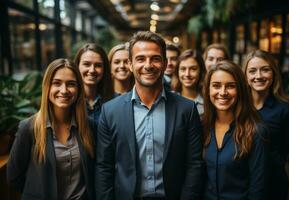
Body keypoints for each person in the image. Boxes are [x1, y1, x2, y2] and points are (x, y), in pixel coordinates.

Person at [95, 31, 205, 200]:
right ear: (131, 64)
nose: (148, 65)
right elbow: (104, 167)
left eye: (155, 58)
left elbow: (194, 165)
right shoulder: (110, 112)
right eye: (140, 59)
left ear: (165, 63)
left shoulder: (187, 110)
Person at [7, 58, 95, 199]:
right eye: (57, 83)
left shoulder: (89, 126)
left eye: (71, 84)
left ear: (79, 89)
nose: (64, 90)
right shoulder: (28, 128)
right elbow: (14, 177)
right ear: (47, 87)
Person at [202, 60, 269, 199]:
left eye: (231, 86)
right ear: (208, 89)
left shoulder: (256, 131)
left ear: (240, 90)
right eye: (216, 86)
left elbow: (258, 187)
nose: (223, 92)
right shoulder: (201, 125)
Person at [243, 49, 289, 200]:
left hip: (272, 184)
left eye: (265, 70)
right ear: (245, 76)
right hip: (239, 181)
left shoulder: (286, 110)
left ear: (273, 73)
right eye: (252, 71)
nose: (259, 76)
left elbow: (283, 152)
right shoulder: (238, 106)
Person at [74, 43, 114, 123]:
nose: (92, 70)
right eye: (86, 64)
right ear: (77, 66)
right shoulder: (69, 100)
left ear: (104, 69)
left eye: (98, 65)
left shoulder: (115, 101)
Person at [173, 49, 206, 115]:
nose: (187, 74)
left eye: (193, 69)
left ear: (201, 71)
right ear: (177, 72)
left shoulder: (207, 102)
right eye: (183, 69)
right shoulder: (168, 99)